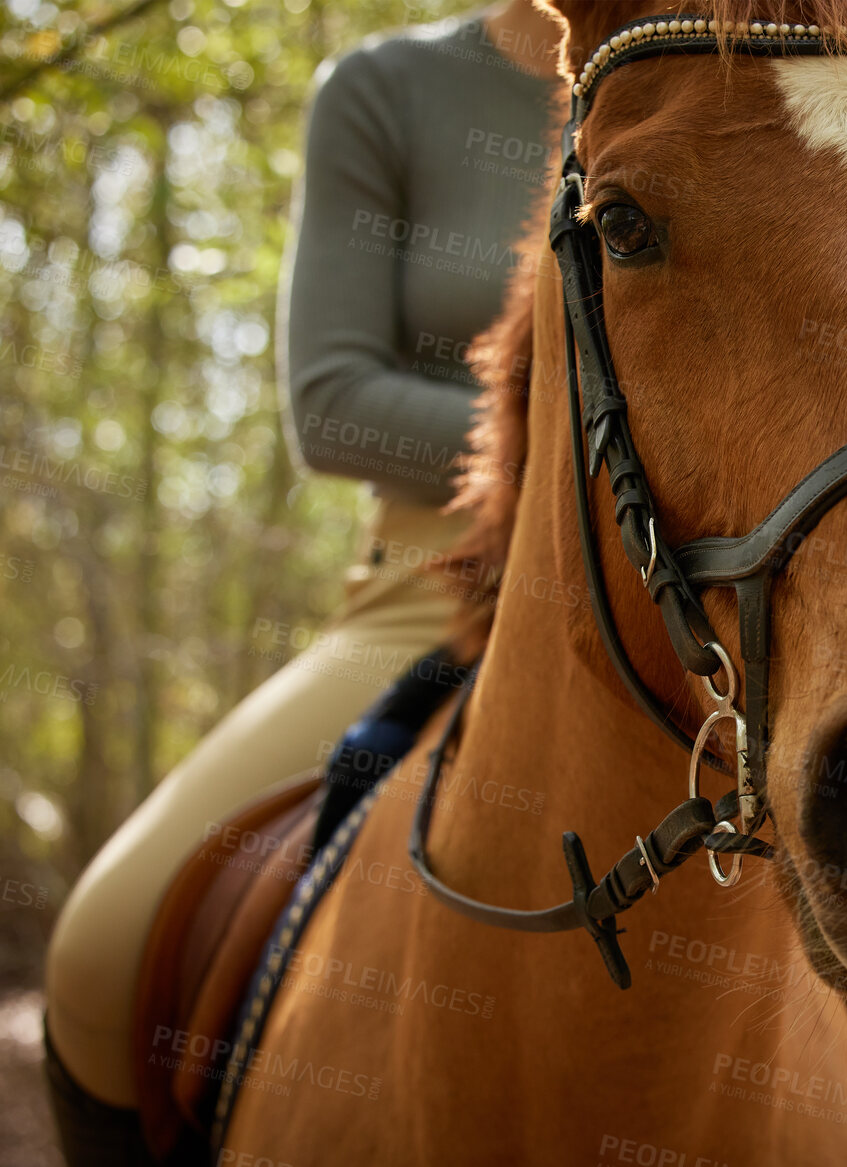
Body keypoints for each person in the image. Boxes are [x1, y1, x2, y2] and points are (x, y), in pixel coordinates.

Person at [42, 2, 561, 1158]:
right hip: (436, 581)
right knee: (101, 947)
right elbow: (334, 410)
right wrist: (594, 459)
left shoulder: (754, 75)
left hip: (707, 593)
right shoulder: (387, 88)